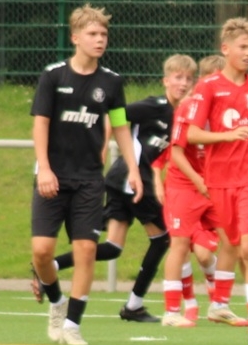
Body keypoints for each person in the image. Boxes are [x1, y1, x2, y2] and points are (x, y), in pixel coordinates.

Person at [40, 54, 198, 324]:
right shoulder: (154, 106)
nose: (183, 84)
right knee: (165, 238)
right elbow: (114, 116)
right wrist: (102, 147)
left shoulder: (180, 116)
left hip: (122, 180)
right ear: (166, 81)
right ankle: (134, 305)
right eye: (178, 77)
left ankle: (48, 267)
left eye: (188, 79)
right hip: (132, 179)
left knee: (113, 247)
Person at [29, 4, 144, 345]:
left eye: (104, 34)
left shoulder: (111, 82)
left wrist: (134, 169)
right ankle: (56, 302)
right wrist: (44, 167)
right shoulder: (53, 76)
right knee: (42, 251)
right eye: (93, 34)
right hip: (53, 177)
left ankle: (73, 325)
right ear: (75, 37)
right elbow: (40, 124)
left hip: (90, 180)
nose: (100, 39)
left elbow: (121, 126)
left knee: (86, 249)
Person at [181, 18, 248, 345]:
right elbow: (191, 134)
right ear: (225, 49)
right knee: (236, 246)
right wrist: (228, 135)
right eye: (243, 47)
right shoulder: (208, 87)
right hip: (219, 181)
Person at [156, 54, 234, 328]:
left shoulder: (226, 108)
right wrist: (198, 181)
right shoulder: (189, 106)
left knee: (232, 240)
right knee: (179, 245)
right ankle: (172, 311)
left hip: (213, 185)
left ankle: (220, 305)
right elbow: (176, 152)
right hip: (185, 186)